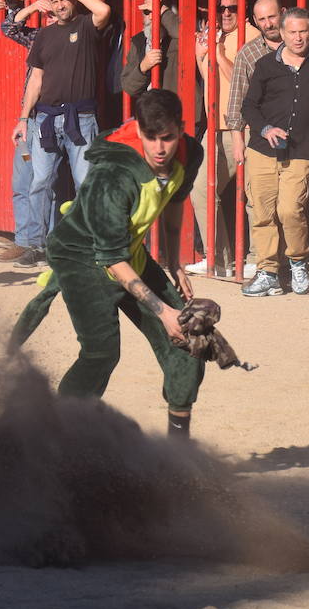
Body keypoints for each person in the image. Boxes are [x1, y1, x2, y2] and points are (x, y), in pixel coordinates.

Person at [11, 89, 207, 439]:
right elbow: (110, 259)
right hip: (81, 258)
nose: (160, 149)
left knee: (188, 340)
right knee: (101, 353)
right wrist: (163, 312)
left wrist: (175, 260)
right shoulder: (113, 175)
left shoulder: (189, 152)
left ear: (181, 129)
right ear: (139, 130)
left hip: (126, 253)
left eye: (168, 138)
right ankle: (60, 440)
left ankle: (179, 453)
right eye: (151, 138)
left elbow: (174, 198)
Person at [5, 0, 112, 268]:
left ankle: (87, 247)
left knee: (85, 184)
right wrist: (23, 118)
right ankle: (37, 247)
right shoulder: (44, 36)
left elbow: (104, 10)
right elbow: (36, 79)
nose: (60, 3)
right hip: (45, 119)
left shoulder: (87, 27)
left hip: (82, 119)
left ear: (73, 0)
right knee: (39, 182)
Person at [240, 7, 309, 297]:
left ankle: (298, 261)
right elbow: (249, 106)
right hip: (263, 148)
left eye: (303, 31)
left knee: (290, 209)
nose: (298, 37)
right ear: (283, 33)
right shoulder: (265, 65)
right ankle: (268, 272)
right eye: (292, 32)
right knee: (263, 212)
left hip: (302, 148)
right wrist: (265, 129)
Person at [187, 0, 260, 278]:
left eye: (233, 8)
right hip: (216, 125)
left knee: (255, 194)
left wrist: (216, 53)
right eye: (221, 8)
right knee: (200, 188)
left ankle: (258, 259)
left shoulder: (251, 36)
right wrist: (200, 54)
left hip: (246, 125)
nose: (226, 13)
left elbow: (244, 82)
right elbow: (210, 80)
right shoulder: (218, 35)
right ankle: (217, 258)